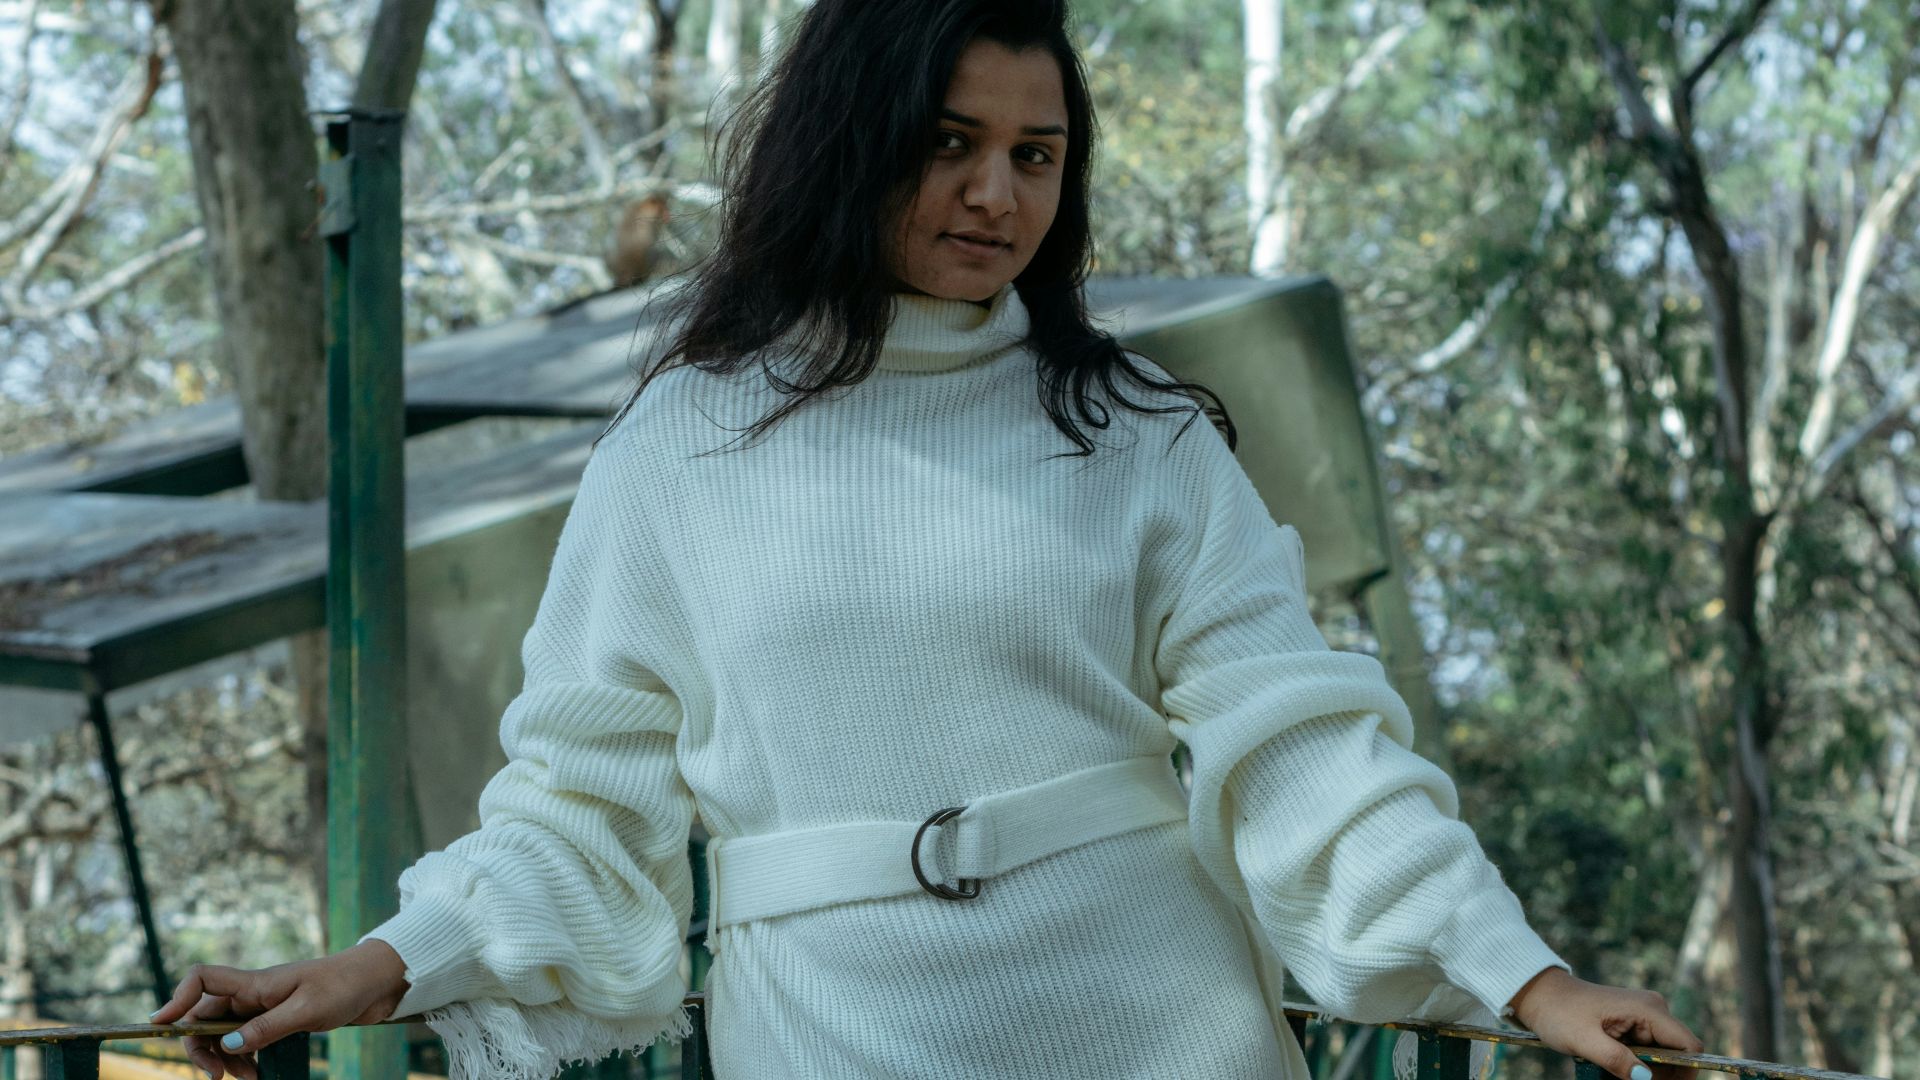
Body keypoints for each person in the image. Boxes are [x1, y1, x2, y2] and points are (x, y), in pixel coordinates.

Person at [149, 2, 1709, 1078]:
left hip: (1163, 1028)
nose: (994, 194)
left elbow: (1305, 753)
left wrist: (1526, 977)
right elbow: (575, 812)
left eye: (1036, 155)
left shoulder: (1139, 431)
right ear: (854, 139)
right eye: (951, 141)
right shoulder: (682, 447)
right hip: (828, 1039)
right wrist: (375, 963)